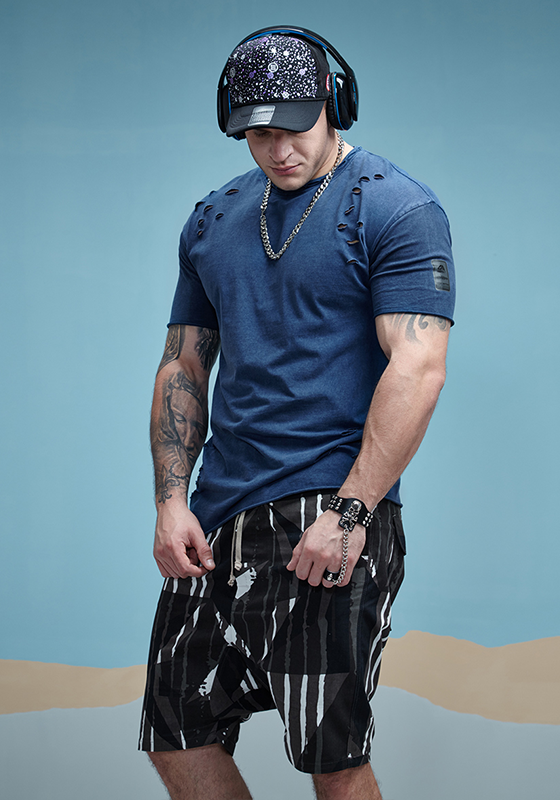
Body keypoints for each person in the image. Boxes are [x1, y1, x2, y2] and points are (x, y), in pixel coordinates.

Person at [139, 26, 455, 800]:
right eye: (258, 134)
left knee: (330, 757)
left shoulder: (395, 207)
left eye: (294, 127)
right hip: (218, 517)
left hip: (330, 508)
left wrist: (352, 512)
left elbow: (418, 366)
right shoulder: (212, 220)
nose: (278, 150)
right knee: (176, 735)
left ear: (334, 104)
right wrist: (172, 501)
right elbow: (184, 362)